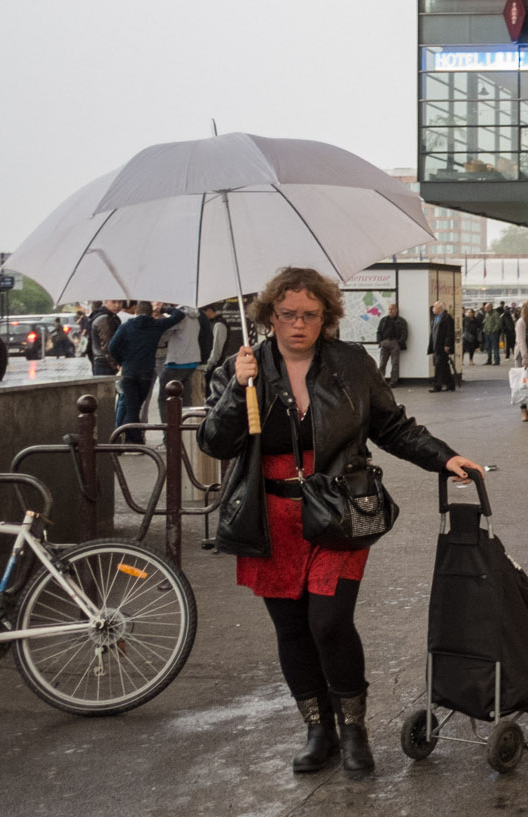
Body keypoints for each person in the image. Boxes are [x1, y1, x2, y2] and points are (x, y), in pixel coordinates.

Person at [197, 267, 483, 781]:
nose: (299, 324)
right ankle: (318, 731)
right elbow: (214, 442)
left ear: (326, 316)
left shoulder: (351, 363)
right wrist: (239, 392)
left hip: (339, 509)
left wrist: (445, 458)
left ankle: (353, 729)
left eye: (310, 314)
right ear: (269, 316)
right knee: (291, 628)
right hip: (272, 517)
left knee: (328, 622)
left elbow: (392, 425)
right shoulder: (242, 368)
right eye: (288, 315)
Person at [107, 302, 187, 444]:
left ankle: (128, 440)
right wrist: (163, 308)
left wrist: (122, 360)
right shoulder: (156, 325)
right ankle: (133, 440)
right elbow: (179, 315)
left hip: (129, 370)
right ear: (150, 312)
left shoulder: (126, 326)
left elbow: (112, 346)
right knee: (135, 407)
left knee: (132, 406)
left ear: (136, 311)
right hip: (146, 372)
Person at [375, 304, 408, 386]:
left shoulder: (401, 321)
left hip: (395, 343)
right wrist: (380, 342)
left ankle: (393, 381)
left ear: (396, 310)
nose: (390, 311)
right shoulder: (384, 320)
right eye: (389, 309)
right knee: (382, 363)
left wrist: (399, 342)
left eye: (392, 309)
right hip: (384, 343)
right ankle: (380, 381)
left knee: (395, 363)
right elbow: (379, 331)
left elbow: (405, 333)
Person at [88, 299, 122, 376]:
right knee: (106, 387)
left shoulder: (111, 317)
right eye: (114, 302)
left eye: (120, 302)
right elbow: (107, 345)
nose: (117, 305)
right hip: (105, 363)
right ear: (106, 302)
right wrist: (116, 364)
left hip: (104, 362)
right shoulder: (104, 318)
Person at [428, 301, 456, 393]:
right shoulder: (436, 318)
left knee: (439, 366)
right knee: (444, 366)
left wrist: (447, 344)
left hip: (442, 346)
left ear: (440, 308)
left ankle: (437, 386)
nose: (433, 309)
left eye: (434, 307)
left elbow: (449, 333)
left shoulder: (447, 318)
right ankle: (450, 384)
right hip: (436, 345)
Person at [482, 302, 504, 366]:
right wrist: (484, 329)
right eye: (485, 308)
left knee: (495, 347)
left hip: (493, 333)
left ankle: (496, 360)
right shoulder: (487, 314)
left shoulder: (495, 314)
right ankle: (489, 360)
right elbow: (485, 322)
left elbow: (498, 324)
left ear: (491, 307)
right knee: (488, 347)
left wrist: (494, 330)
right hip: (487, 333)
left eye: (487, 308)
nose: (486, 309)